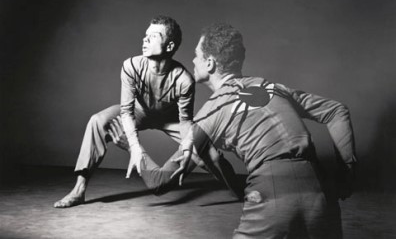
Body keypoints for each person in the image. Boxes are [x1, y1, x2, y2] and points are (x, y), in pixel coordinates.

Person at [172, 23, 357, 238]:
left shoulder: (212, 111)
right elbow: (337, 111)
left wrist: (132, 142)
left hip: (272, 196)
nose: (193, 60)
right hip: (321, 196)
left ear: (210, 63)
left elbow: (161, 180)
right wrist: (347, 176)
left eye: (196, 55)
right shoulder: (271, 87)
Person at [54, 16, 241, 208]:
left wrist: (188, 148)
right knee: (97, 121)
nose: (145, 39)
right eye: (146, 35)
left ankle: (240, 191)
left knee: (211, 154)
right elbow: (126, 112)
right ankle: (79, 190)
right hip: (139, 112)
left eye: (153, 36)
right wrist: (134, 147)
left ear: (169, 47)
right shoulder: (131, 66)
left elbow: (185, 122)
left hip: (171, 120)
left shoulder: (184, 79)